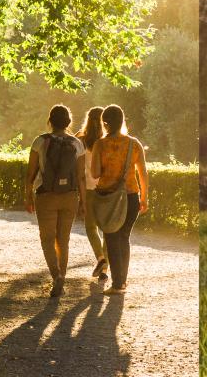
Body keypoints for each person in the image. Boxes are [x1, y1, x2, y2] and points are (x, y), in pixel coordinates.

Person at [25, 105, 87, 298]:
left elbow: (30, 173)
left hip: (46, 195)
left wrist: (28, 195)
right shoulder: (77, 144)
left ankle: (57, 276)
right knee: (64, 240)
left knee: (47, 240)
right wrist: (83, 202)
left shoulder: (40, 141)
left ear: (49, 121)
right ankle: (63, 275)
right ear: (68, 122)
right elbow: (81, 177)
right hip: (70, 196)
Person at [90, 105, 149, 295]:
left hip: (108, 198)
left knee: (111, 237)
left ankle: (117, 285)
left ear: (104, 123)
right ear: (122, 120)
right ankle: (121, 282)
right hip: (131, 196)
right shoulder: (134, 144)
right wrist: (144, 197)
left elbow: (95, 173)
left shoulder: (100, 144)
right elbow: (143, 173)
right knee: (124, 237)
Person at [76, 106, 109, 281]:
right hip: (106, 189)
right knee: (108, 230)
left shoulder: (79, 139)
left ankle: (100, 258)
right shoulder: (108, 140)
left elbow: (77, 168)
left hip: (87, 189)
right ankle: (104, 269)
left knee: (91, 227)